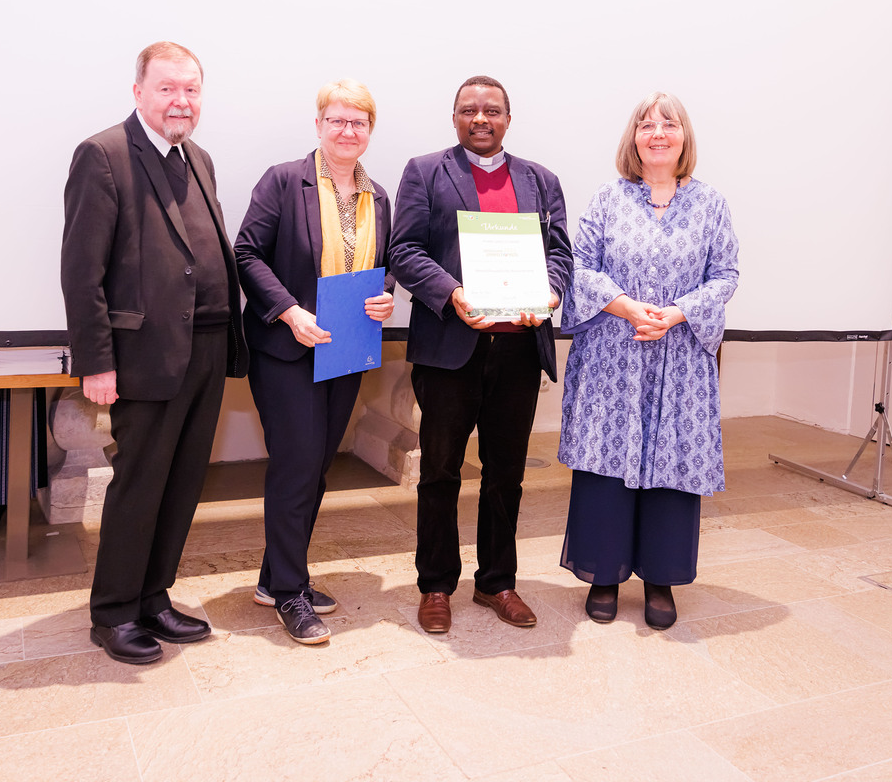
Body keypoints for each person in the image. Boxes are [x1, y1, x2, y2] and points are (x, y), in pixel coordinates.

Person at [61, 41, 248, 664]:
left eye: (191, 90)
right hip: (145, 356)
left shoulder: (198, 157)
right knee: (141, 484)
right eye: (168, 88)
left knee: (183, 482)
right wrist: (96, 362)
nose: (181, 101)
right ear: (139, 92)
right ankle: (114, 612)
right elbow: (82, 272)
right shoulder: (104, 155)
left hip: (206, 348)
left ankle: (153, 596)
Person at [389, 75, 572, 633]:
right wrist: (452, 293)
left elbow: (559, 254)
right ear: (454, 119)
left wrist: (550, 293)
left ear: (508, 120)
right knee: (440, 471)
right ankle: (436, 584)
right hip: (450, 348)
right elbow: (404, 250)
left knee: (505, 474)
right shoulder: (425, 172)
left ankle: (497, 581)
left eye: (492, 110)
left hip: (517, 352)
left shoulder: (541, 180)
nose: (481, 119)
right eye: (469, 110)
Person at [556, 91, 739, 629]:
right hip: (613, 356)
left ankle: (661, 578)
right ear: (633, 138)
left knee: (672, 462)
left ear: (684, 137)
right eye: (646, 125)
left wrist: (677, 314)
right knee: (606, 462)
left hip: (680, 359)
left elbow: (725, 275)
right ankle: (603, 573)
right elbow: (579, 266)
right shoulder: (608, 199)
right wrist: (628, 307)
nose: (657, 133)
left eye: (669, 124)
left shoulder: (711, 204)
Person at [233, 79, 395, 645]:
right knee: (296, 465)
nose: (348, 131)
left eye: (359, 122)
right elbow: (247, 253)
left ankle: (274, 576)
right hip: (287, 348)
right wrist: (288, 311)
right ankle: (290, 592)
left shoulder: (379, 197)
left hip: (345, 350)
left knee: (316, 466)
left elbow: (381, 266)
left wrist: (386, 295)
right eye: (337, 120)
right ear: (319, 125)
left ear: (370, 131)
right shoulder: (284, 181)